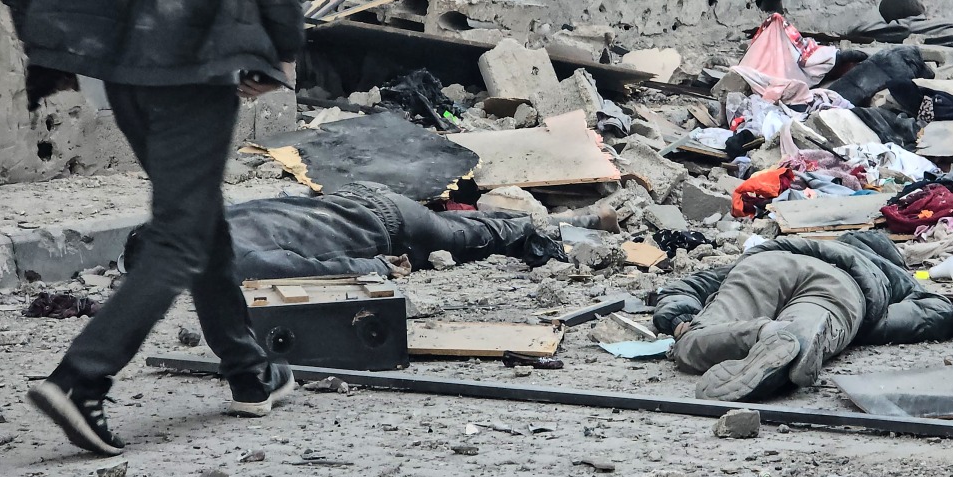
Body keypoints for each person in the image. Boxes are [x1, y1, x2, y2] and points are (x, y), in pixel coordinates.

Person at [0, 0, 304, 456]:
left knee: (193, 217)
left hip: (120, 70)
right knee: (180, 234)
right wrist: (279, 47)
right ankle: (81, 378)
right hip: (196, 68)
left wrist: (60, 39)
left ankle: (248, 371)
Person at [652, 231, 953, 401]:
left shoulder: (803, 243)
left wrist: (679, 318)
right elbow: (938, 311)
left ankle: (764, 334)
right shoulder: (888, 272)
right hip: (843, 288)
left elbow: (684, 286)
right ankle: (797, 336)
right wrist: (864, 328)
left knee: (691, 342)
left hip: (773, 263)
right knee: (807, 336)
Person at [122, 182, 621, 281]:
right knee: (465, 227)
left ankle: (574, 228)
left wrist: (375, 266)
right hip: (367, 200)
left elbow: (306, 269)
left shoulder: (227, 259)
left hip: (387, 230)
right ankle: (584, 221)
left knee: (486, 238)